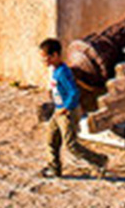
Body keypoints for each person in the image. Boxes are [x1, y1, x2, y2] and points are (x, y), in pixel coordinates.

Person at [38, 38, 108, 179]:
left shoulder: (63, 72)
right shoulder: (55, 70)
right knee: (51, 139)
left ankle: (100, 161)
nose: (44, 61)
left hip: (67, 112)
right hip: (58, 111)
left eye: (46, 58)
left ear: (56, 55)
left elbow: (74, 92)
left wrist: (66, 108)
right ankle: (54, 168)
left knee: (71, 145)